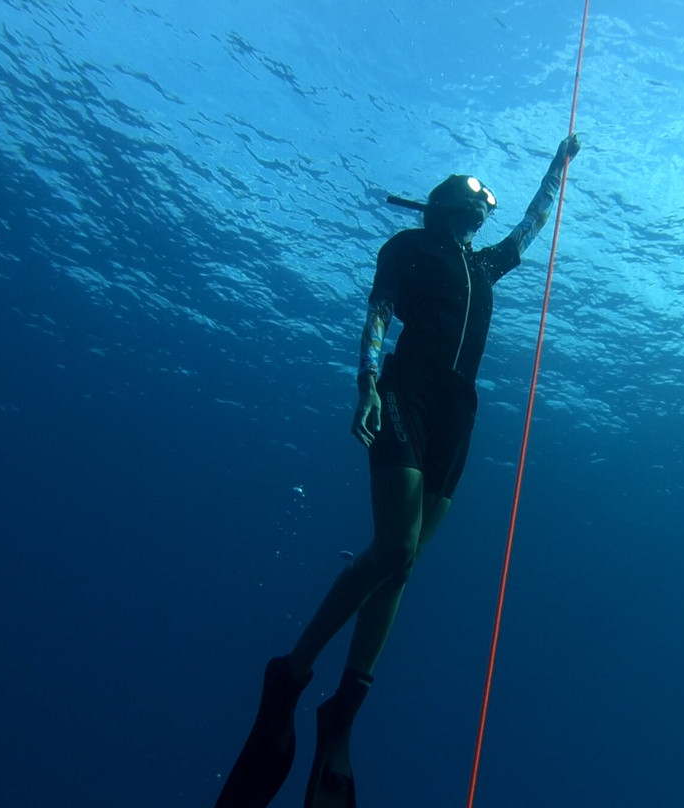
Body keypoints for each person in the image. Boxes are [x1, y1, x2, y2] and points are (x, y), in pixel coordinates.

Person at [214, 133, 581, 808]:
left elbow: (531, 224)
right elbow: (379, 311)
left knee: (404, 565)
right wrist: (367, 383)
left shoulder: (484, 267)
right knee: (395, 546)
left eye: (485, 205)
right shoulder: (407, 249)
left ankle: (342, 715)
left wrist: (557, 168)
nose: (483, 209)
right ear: (441, 205)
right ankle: (292, 674)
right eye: (473, 198)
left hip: (457, 414)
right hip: (405, 395)